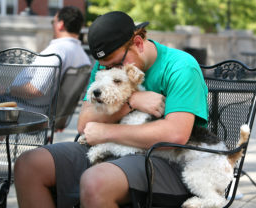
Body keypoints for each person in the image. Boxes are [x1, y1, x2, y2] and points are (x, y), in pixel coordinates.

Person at [14, 11, 208, 208]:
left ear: (139, 43)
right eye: (104, 67)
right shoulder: (103, 66)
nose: (107, 71)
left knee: (96, 181)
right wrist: (132, 101)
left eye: (115, 64)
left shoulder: (180, 67)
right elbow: (85, 123)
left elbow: (175, 135)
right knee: (29, 164)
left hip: (168, 162)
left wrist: (106, 131)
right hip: (109, 151)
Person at [0, 6, 91, 160]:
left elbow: (35, 89)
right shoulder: (83, 56)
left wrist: (7, 90)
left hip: (33, 109)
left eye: (53, 21)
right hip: (50, 111)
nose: (53, 24)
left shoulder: (57, 51)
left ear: (60, 24)